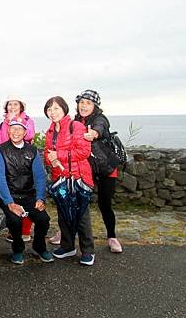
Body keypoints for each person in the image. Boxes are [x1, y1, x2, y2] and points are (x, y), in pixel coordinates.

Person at [43, 96, 96, 266]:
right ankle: (67, 246)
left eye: (56, 108)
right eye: (49, 109)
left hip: (78, 177)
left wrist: (58, 156)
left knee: (81, 215)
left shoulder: (76, 126)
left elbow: (84, 152)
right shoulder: (50, 131)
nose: (53, 112)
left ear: (64, 109)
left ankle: (87, 250)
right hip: (60, 178)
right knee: (64, 214)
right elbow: (47, 153)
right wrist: (49, 158)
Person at [0, 120, 53, 265]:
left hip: (28, 194)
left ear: (25, 133)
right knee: (14, 220)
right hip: (9, 194)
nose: (16, 132)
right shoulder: (0, 150)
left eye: (20, 129)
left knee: (43, 219)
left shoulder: (32, 150)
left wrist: (40, 198)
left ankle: (39, 246)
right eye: (13, 128)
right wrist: (10, 203)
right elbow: (0, 178)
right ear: (8, 130)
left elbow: (39, 176)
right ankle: (18, 249)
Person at [75, 89, 123, 253]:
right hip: (87, 167)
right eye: (82, 102)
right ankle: (66, 233)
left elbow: (100, 128)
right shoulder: (76, 121)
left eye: (88, 103)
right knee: (77, 201)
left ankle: (112, 237)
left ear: (95, 106)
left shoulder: (100, 119)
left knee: (105, 204)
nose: (84, 105)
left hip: (106, 168)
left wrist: (93, 133)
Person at [0, 95, 35, 243]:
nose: (12, 107)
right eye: (9, 104)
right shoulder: (2, 124)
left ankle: (25, 231)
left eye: (15, 104)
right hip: (7, 162)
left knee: (26, 195)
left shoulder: (28, 120)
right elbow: (0, 141)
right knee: (12, 196)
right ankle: (15, 230)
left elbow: (29, 134)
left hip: (24, 162)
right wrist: (7, 122)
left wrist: (18, 122)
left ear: (21, 107)